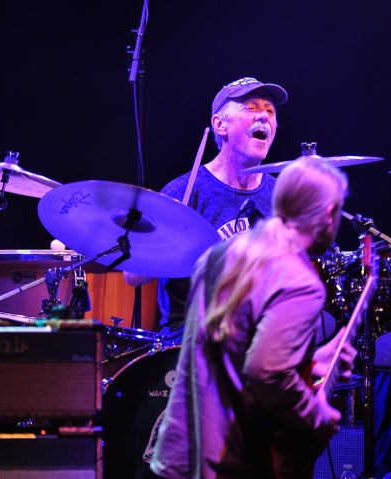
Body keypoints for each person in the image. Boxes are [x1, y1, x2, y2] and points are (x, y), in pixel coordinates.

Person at [150, 154, 359, 479]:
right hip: (235, 462)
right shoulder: (300, 281)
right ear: (329, 213)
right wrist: (316, 413)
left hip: (183, 454)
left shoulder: (221, 253)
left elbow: (231, 352)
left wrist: (311, 358)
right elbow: (265, 372)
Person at [124, 76, 288, 337]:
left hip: (262, 337)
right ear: (220, 124)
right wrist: (169, 241)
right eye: (251, 108)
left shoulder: (281, 196)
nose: (264, 117)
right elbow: (132, 276)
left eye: (270, 110)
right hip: (192, 340)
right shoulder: (183, 192)